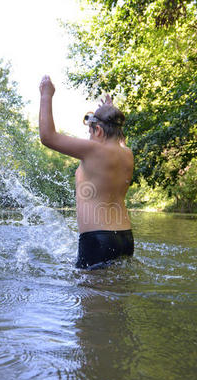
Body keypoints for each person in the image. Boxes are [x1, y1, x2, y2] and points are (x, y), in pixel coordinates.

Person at [38, 75, 134, 269]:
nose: (88, 138)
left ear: (98, 130)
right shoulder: (127, 153)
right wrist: (111, 109)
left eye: (90, 132)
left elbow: (48, 137)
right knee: (118, 297)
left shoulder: (93, 150)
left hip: (98, 240)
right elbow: (118, 136)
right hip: (126, 238)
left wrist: (46, 95)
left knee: (91, 297)